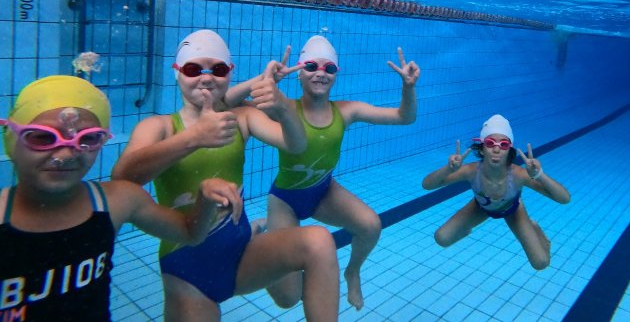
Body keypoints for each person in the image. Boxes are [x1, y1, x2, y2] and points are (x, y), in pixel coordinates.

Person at [111, 30, 339, 322]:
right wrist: (192, 137)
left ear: (229, 73)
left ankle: (255, 231)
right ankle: (258, 228)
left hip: (241, 253)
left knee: (309, 259)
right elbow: (122, 179)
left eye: (217, 69)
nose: (206, 78)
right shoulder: (160, 126)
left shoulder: (240, 119)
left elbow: (295, 144)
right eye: (194, 69)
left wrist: (283, 107)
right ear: (177, 73)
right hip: (187, 269)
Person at [0, 75, 242, 322]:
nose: (65, 153)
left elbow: (190, 233)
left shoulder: (118, 201)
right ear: (11, 138)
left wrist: (205, 199)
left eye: (88, 139)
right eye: (42, 137)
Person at [225, 34, 420, 310]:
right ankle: (258, 237)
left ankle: (352, 272)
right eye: (311, 67)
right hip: (285, 202)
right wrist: (265, 81)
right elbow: (226, 103)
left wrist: (408, 87)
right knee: (288, 298)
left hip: (324, 191)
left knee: (371, 226)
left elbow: (405, 117)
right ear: (300, 74)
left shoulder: (346, 111)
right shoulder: (283, 108)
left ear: (336, 74)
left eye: (329, 68)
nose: (320, 73)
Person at [422, 114, 570, 270]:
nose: (497, 149)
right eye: (490, 143)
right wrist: (448, 169)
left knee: (541, 263)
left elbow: (564, 198)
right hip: (481, 208)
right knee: (442, 238)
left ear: (509, 149)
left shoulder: (518, 174)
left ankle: (535, 231)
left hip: (513, 210)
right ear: (482, 147)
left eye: (504, 144)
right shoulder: (471, 171)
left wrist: (540, 175)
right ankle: (466, 227)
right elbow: (427, 185)